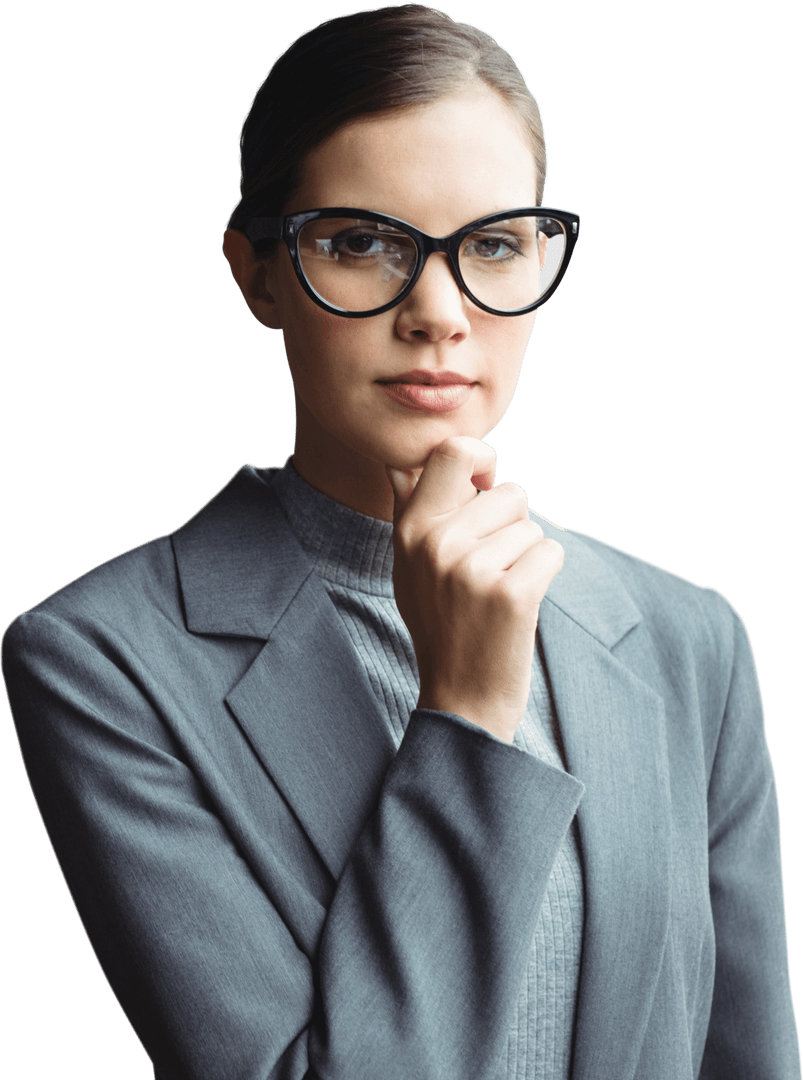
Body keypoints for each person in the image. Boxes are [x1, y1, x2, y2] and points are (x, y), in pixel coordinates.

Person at [2, 4, 799, 1078]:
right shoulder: (103, 659)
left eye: (494, 245)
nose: (437, 311)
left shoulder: (686, 637)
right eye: (362, 243)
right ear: (257, 274)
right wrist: (466, 712)